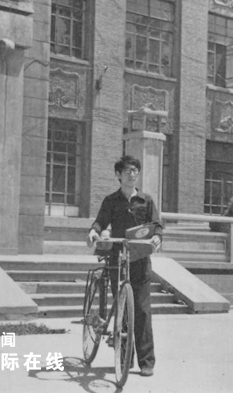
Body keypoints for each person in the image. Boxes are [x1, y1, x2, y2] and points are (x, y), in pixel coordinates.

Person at [87, 155, 163, 377]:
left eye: (135, 170)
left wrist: (157, 237)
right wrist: (93, 231)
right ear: (118, 175)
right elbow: (100, 221)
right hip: (117, 260)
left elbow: (157, 225)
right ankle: (124, 359)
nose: (132, 174)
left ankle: (146, 362)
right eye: (128, 170)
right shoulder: (111, 201)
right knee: (122, 310)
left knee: (142, 310)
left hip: (140, 259)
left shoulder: (146, 201)